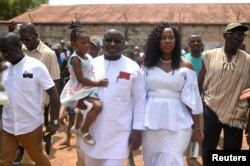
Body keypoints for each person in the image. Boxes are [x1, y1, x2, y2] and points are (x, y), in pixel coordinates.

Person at [78, 28, 146, 166]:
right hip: (91, 133)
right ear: (103, 43)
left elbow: (140, 99)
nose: (112, 44)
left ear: (124, 44)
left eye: (117, 41)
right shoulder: (90, 65)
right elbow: (77, 89)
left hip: (119, 134)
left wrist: (137, 130)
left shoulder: (133, 68)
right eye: (108, 40)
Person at [142, 23, 203, 166]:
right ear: (157, 41)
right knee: (152, 162)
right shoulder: (147, 66)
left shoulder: (186, 66)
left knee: (172, 159)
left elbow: (194, 100)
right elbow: (140, 97)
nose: (168, 41)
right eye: (163, 38)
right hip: (151, 124)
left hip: (180, 123)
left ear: (176, 41)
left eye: (171, 37)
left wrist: (198, 129)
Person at [0, 32, 60, 166]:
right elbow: (2, 97)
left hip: (30, 126)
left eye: (9, 51)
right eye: (3, 52)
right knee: (4, 161)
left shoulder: (36, 66)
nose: (6, 55)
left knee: (38, 157)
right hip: (8, 125)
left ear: (20, 46)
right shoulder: (3, 69)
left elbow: (54, 94)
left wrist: (54, 120)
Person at [198, 22, 250, 166]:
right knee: (208, 147)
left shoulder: (248, 60)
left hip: (235, 112)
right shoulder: (208, 56)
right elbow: (199, 84)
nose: (238, 38)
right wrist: (197, 111)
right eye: (234, 34)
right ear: (225, 36)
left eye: (242, 35)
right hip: (211, 109)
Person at [60, 21, 108, 145]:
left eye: (88, 42)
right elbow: (80, 79)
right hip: (79, 88)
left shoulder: (88, 57)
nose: (87, 45)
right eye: (83, 43)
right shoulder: (75, 59)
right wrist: (98, 84)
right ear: (74, 45)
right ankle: (84, 130)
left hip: (88, 86)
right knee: (97, 106)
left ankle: (76, 127)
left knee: (84, 109)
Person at [183, 33, 204, 166]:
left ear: (201, 44)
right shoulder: (183, 59)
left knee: (198, 129)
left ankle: (193, 158)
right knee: (187, 129)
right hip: (186, 102)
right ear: (189, 44)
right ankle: (188, 157)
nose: (196, 43)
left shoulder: (207, 59)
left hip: (203, 101)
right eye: (193, 41)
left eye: (198, 41)